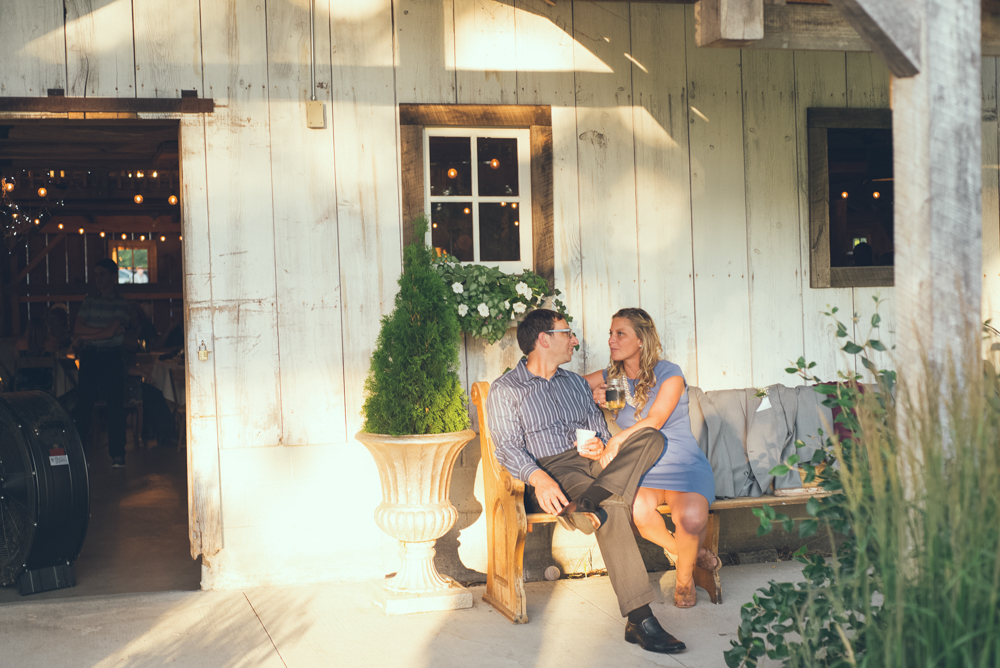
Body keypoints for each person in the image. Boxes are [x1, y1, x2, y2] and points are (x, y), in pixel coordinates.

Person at [487, 309, 686, 655]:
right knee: (610, 506)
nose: (575, 341)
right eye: (568, 333)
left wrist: (601, 447)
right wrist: (540, 480)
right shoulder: (506, 389)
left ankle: (589, 501)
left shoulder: (576, 384)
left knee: (652, 438)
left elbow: (599, 430)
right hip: (553, 472)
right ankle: (640, 618)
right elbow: (507, 447)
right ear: (544, 339)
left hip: (592, 466)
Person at [585, 308, 720, 608]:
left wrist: (617, 439)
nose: (611, 340)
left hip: (681, 462)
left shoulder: (668, 373)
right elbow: (568, 387)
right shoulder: (611, 377)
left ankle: (684, 581)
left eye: (620, 333)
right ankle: (689, 555)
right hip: (643, 467)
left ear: (641, 340)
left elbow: (656, 420)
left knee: (692, 518)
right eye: (610, 333)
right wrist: (593, 392)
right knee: (639, 515)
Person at [73, 257, 131, 468]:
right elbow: (78, 329)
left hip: (110, 356)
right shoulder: (89, 300)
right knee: (83, 406)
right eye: (96, 274)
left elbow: (109, 332)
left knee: (115, 405)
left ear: (113, 278)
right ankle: (80, 456)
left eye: (102, 275)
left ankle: (118, 455)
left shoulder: (120, 303)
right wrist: (102, 334)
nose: (97, 279)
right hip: (90, 356)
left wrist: (89, 335)